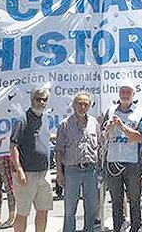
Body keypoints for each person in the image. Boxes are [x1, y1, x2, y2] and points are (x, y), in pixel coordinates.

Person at [101, 80, 142, 232]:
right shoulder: (110, 110)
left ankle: (136, 228)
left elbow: (140, 137)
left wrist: (122, 126)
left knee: (134, 200)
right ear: (119, 93)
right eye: (123, 91)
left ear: (133, 95)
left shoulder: (140, 111)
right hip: (113, 161)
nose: (125, 94)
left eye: (128, 92)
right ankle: (118, 228)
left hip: (132, 163)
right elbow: (103, 136)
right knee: (116, 201)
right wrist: (107, 130)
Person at [55, 92, 102, 232]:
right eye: (80, 103)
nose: (83, 106)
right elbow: (58, 151)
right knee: (70, 209)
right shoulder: (64, 125)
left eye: (86, 104)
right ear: (74, 105)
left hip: (91, 170)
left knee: (91, 208)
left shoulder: (94, 123)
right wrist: (59, 173)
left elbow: (99, 145)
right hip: (72, 171)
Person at [10, 88, 53, 232]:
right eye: (38, 99)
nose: (41, 102)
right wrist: (19, 169)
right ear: (31, 100)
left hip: (44, 173)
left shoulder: (45, 118)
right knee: (23, 212)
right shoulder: (22, 120)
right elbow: (13, 147)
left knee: (43, 210)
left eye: (44, 99)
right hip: (26, 174)